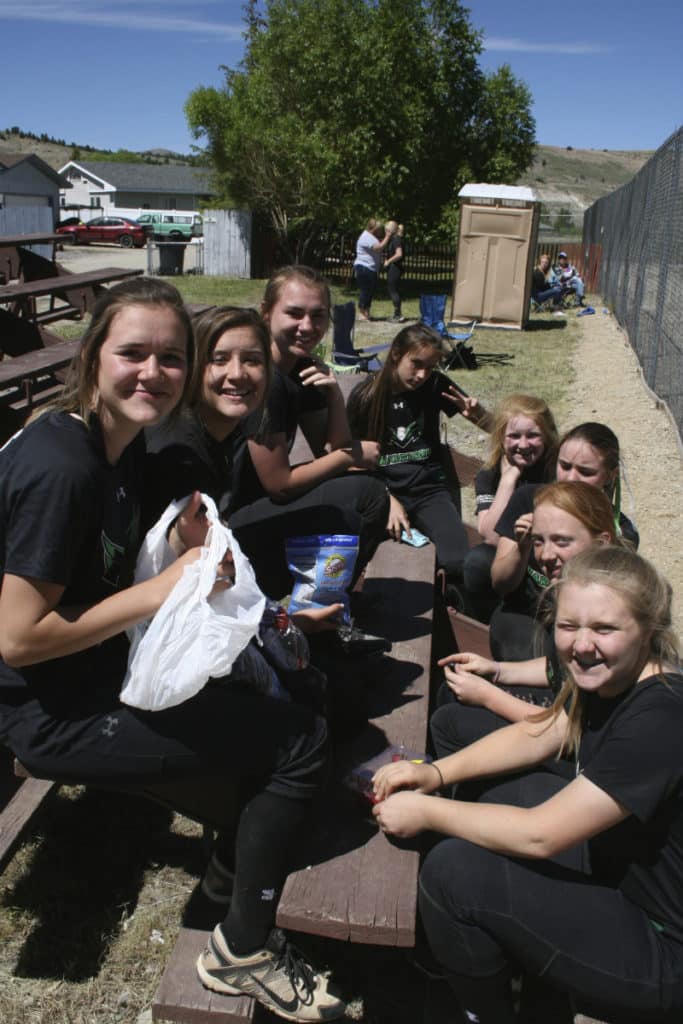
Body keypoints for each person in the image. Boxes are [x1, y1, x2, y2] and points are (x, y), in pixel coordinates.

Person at [0, 278, 344, 1022]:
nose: (151, 373)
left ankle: (228, 877)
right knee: (299, 745)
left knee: (292, 699)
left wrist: (186, 551)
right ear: (92, 355)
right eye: (133, 353)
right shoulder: (64, 466)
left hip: (101, 670)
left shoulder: (118, 447)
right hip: (50, 712)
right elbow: (19, 639)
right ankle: (242, 950)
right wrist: (166, 587)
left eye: (170, 358)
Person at [373, 545, 683, 1024]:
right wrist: (437, 773)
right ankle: (507, 961)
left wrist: (428, 810)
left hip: (661, 944)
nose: (582, 644)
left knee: (451, 873)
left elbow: (542, 835)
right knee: (495, 794)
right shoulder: (611, 675)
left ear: (648, 629)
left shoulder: (660, 716)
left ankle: (489, 1011)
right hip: (615, 865)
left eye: (604, 629)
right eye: (568, 625)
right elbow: (546, 732)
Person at [224, 267, 390, 650]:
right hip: (230, 528)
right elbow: (280, 486)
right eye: (294, 313)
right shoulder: (260, 377)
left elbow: (329, 451)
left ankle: (325, 607)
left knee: (365, 492)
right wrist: (350, 456)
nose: (307, 326)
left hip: (259, 509)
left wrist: (333, 393)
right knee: (365, 498)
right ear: (266, 312)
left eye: (318, 315)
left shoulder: (302, 369)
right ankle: (316, 617)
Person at [431, 481, 618, 761]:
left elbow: (571, 730)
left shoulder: (605, 612)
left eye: (562, 541)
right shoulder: (576, 589)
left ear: (602, 542)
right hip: (564, 721)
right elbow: (559, 668)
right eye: (539, 541)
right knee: (452, 691)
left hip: (587, 756)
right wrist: (496, 670)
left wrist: (487, 696)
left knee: (449, 723)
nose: (545, 555)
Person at [346, 322, 492, 602]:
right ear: (396, 354)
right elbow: (349, 459)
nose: (422, 374)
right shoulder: (367, 396)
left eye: (431, 367)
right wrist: (386, 498)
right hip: (380, 494)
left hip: (428, 492)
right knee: (358, 560)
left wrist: (478, 413)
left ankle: (451, 608)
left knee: (457, 561)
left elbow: (493, 426)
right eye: (416, 364)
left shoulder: (435, 385)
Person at [489, 421, 638, 660]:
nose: (570, 478)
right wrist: (523, 546)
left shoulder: (621, 532)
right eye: (564, 466)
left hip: (576, 620)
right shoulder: (528, 499)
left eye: (585, 472)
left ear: (611, 475)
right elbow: (501, 583)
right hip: (524, 612)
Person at [463, 394, 558, 621]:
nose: (523, 445)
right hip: (512, 560)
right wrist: (508, 479)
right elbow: (490, 536)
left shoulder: (556, 470)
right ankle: (486, 619)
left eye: (533, 435)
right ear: (501, 438)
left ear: (547, 436)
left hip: (550, 562)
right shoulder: (490, 474)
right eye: (514, 436)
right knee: (477, 561)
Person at [353, 218, 394, 320]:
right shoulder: (366, 236)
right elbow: (378, 248)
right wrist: (388, 236)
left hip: (371, 268)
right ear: (374, 229)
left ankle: (366, 312)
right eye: (379, 229)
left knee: (370, 291)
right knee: (365, 290)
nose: (381, 231)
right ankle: (361, 313)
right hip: (364, 267)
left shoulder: (371, 237)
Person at [383, 220, 405, 323]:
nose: (385, 232)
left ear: (390, 230)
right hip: (394, 268)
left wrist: (388, 261)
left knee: (393, 290)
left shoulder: (396, 239)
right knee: (393, 290)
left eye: (386, 230)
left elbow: (399, 254)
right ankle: (397, 314)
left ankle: (398, 315)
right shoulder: (395, 239)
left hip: (395, 268)